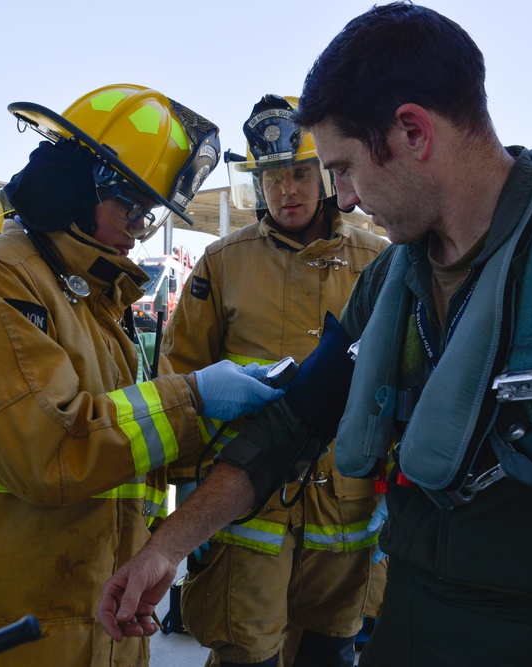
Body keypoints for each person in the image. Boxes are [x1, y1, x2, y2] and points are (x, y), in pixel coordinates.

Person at [98, 5, 532, 666]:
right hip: (409, 626)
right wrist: (170, 543)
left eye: (346, 169)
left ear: (411, 131)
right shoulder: (391, 281)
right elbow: (293, 423)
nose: (346, 199)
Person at [0, 83, 284, 666]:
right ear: (76, 187)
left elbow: (126, 447)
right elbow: (50, 452)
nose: (137, 230)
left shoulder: (93, 303)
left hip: (99, 626)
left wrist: (240, 416)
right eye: (132, 207)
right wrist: (194, 396)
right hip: (15, 636)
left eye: (148, 215)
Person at [162, 94, 389, 667]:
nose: (286, 189)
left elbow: (409, 377)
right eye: (271, 177)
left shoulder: (380, 259)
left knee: (330, 652)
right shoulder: (222, 262)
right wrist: (190, 492)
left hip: (348, 508)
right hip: (247, 507)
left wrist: (401, 478)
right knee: (246, 653)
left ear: (326, 174)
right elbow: (180, 375)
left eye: (299, 173)